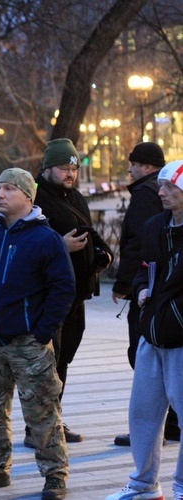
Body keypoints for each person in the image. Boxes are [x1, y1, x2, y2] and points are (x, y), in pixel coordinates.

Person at [0, 168, 75, 500]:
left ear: (27, 196)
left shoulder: (45, 238)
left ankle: (54, 475)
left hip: (29, 345)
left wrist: (42, 331)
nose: (0, 194)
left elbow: (62, 289)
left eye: (9, 189)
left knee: (42, 411)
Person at [105, 159, 183, 500]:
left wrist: (176, 314)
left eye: (169, 187)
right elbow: (142, 267)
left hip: (180, 339)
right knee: (143, 413)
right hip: (152, 334)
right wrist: (139, 291)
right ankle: (143, 485)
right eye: (161, 186)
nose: (161, 192)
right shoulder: (155, 226)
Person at [31, 138, 113, 446]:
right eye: (64, 167)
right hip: (49, 293)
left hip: (77, 291)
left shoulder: (75, 196)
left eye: (74, 167)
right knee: (48, 360)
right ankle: (37, 427)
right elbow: (28, 238)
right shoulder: (36, 197)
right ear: (48, 168)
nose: (70, 173)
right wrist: (59, 246)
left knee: (64, 357)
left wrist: (103, 253)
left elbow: (89, 231)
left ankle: (54, 419)